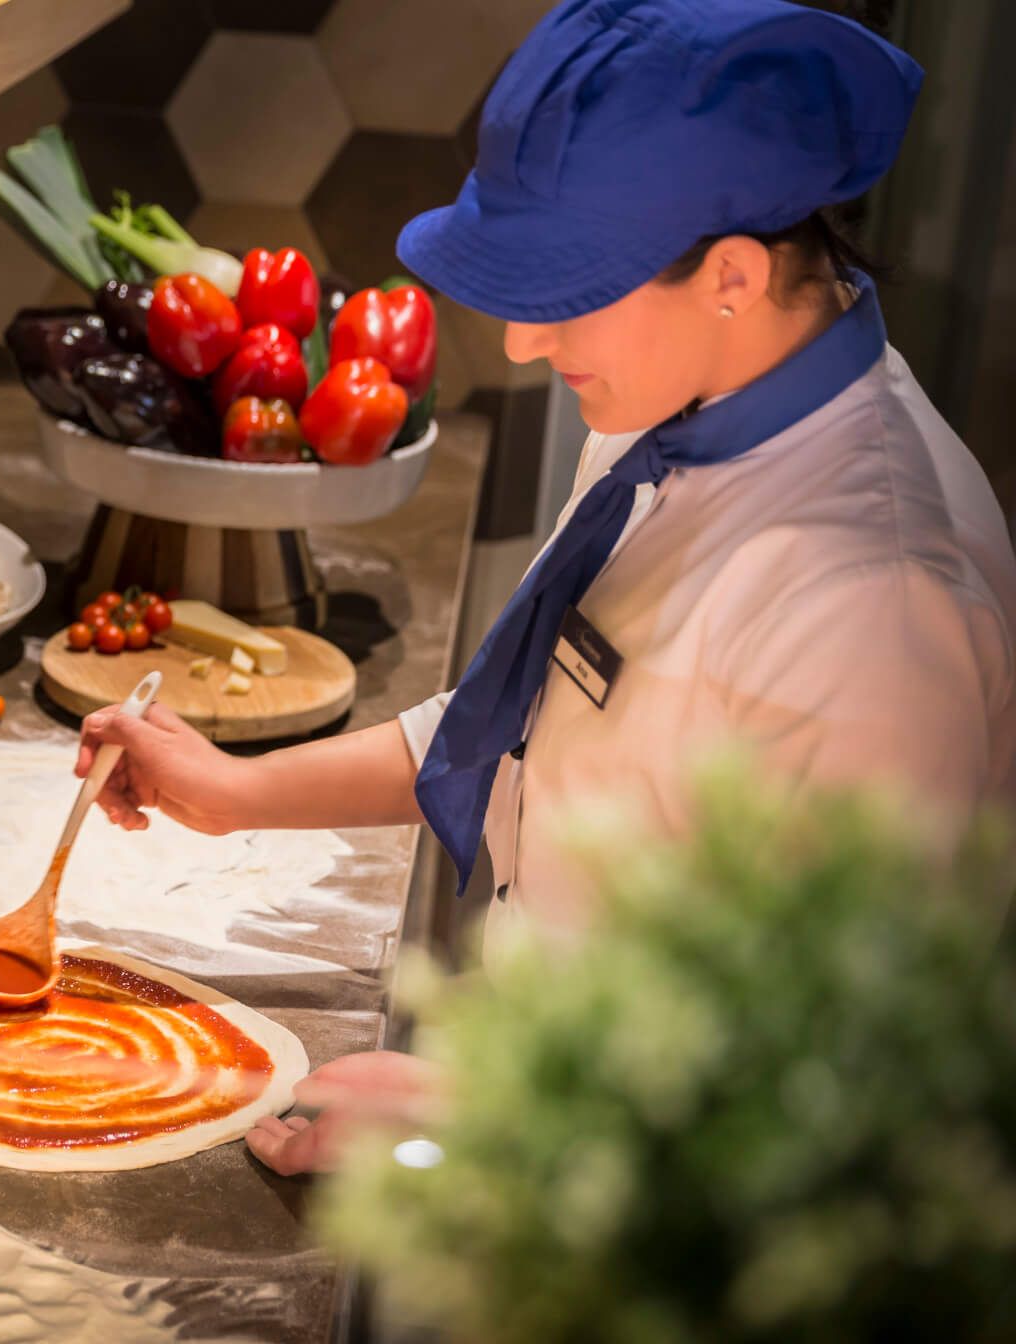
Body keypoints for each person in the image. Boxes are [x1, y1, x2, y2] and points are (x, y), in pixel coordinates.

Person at [75, 0, 1016, 1177]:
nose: (521, 343)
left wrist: (483, 1121)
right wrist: (238, 790)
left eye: (563, 291)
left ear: (731, 275)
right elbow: (533, 722)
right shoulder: (674, 410)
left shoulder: (876, 602)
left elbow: (837, 1095)